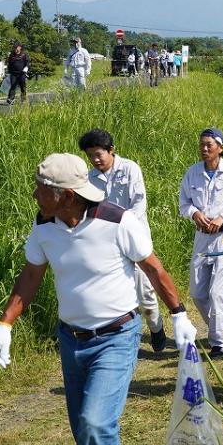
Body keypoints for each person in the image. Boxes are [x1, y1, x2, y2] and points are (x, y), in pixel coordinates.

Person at [0, 153, 194, 445]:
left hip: (117, 335)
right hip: (71, 338)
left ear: (66, 195)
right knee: (86, 424)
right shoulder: (44, 225)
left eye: (42, 190)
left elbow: (153, 267)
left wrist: (178, 313)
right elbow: (32, 274)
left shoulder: (118, 221)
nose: (34, 195)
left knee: (95, 423)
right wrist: (5, 324)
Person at [79, 128, 166, 353]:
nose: (95, 160)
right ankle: (123, 336)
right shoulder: (90, 178)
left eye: (99, 154)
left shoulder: (130, 169)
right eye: (90, 156)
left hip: (135, 239)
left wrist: (123, 227)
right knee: (115, 291)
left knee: (145, 291)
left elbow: (139, 203)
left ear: (111, 150)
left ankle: (156, 328)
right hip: (107, 245)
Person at [178, 128, 223, 360]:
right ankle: (217, 328)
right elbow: (184, 203)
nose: (204, 148)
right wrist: (194, 213)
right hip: (201, 237)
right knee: (198, 292)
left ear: (221, 147)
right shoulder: (192, 173)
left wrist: (222, 218)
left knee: (218, 292)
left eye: (209, 144)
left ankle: (218, 343)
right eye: (202, 144)